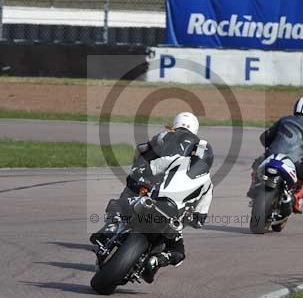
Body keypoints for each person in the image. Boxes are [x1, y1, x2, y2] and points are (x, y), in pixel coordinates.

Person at [90, 112, 214, 282]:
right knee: (178, 252)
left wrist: (139, 175)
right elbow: (201, 215)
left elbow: (146, 161)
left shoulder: (175, 157)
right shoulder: (207, 182)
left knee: (120, 203)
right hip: (170, 214)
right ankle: (157, 259)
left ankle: (113, 227)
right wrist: (194, 218)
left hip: (155, 200)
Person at [247, 97, 303, 214]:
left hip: (273, 155)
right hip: (297, 159)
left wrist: (274, 144)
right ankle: (297, 197)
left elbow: (264, 138)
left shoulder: (284, 120)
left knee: (257, 163)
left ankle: (254, 187)